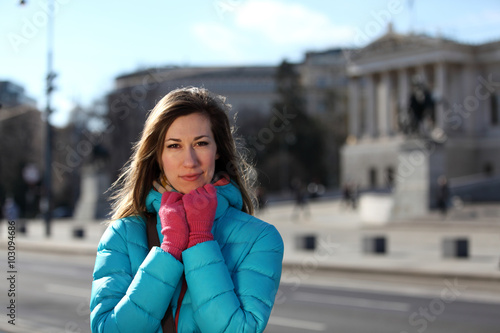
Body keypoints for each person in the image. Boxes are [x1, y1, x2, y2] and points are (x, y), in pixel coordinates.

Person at [90, 87, 284, 333]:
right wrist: (168, 253)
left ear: (218, 150)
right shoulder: (122, 234)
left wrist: (201, 240)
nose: (190, 161)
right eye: (174, 146)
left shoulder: (261, 238)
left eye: (201, 143)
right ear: (157, 156)